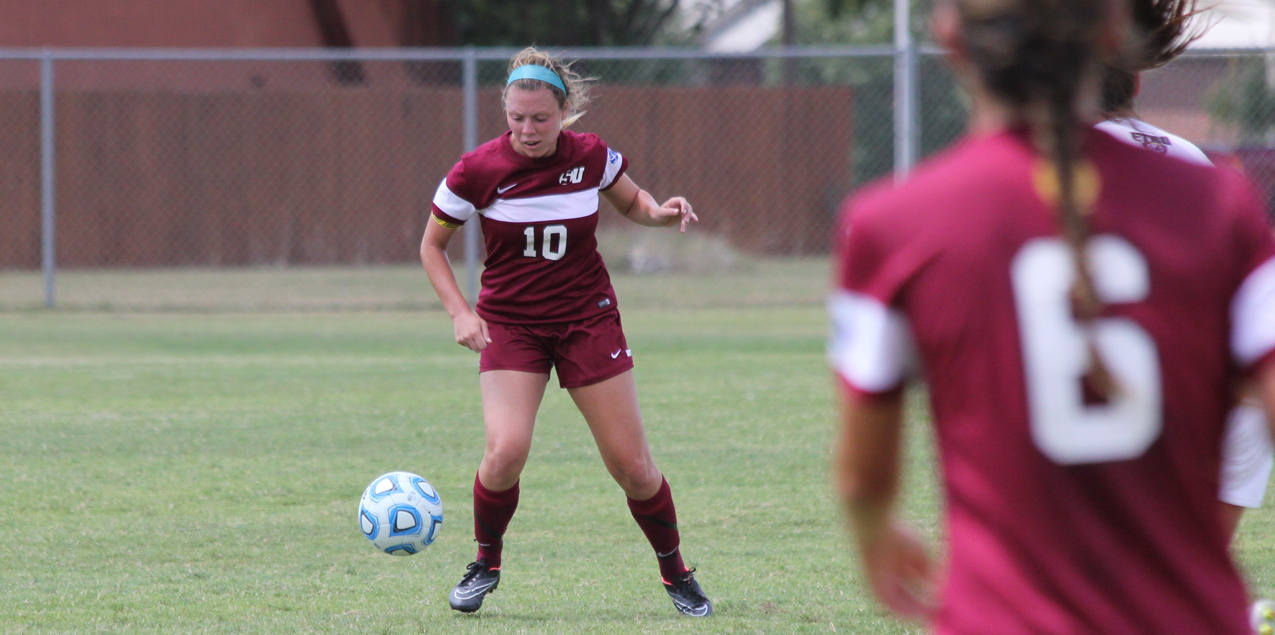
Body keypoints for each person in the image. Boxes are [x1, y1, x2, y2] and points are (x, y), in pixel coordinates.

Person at [829, 1, 1275, 634]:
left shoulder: (890, 223)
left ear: (949, 35)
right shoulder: (1219, 203)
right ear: (1114, 35)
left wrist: (876, 533)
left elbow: (861, 477)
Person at [419, 46, 711, 617]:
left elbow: (632, 204)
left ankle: (676, 572)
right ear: (504, 110)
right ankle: (485, 564)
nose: (528, 130)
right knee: (504, 453)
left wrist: (659, 211)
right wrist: (459, 310)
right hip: (512, 324)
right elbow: (432, 246)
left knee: (632, 466)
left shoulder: (591, 156)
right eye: (516, 117)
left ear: (564, 112)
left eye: (541, 119)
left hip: (587, 318)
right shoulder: (477, 169)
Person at [1095, 0, 1275, 541]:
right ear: (1138, 84)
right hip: (1220, 396)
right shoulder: (1193, 158)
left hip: (1117, 392)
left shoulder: (1056, 159)